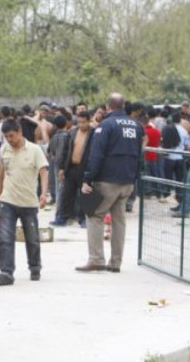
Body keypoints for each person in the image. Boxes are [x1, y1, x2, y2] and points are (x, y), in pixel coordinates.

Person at [76, 93, 143, 273]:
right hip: (127, 181)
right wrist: (136, 178)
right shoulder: (136, 126)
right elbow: (139, 154)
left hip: (106, 180)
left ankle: (96, 259)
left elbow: (96, 155)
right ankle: (115, 262)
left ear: (108, 107)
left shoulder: (105, 126)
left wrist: (88, 178)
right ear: (123, 106)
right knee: (119, 220)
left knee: (94, 215)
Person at [0, 119, 49, 286]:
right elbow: (2, 175)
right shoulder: (5, 150)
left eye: (12, 136)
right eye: (6, 136)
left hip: (29, 203)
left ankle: (35, 267)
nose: (9, 139)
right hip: (7, 201)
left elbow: (44, 173)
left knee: (32, 239)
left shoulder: (34, 150)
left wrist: (44, 194)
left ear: (20, 132)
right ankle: (6, 272)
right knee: (5, 238)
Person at [56, 111, 95, 227]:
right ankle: (63, 217)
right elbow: (65, 151)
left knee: (86, 194)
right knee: (66, 193)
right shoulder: (72, 132)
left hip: (86, 169)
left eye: (84, 122)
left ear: (89, 121)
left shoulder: (94, 133)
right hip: (71, 167)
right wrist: (62, 168)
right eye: (79, 122)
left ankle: (84, 219)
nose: (81, 125)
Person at [163, 113, 189, 210]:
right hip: (180, 158)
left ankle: (167, 194)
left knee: (168, 179)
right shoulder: (184, 130)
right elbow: (187, 144)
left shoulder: (168, 128)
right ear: (180, 120)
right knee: (179, 181)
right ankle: (179, 200)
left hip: (169, 157)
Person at [48, 115, 70, 226]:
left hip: (55, 165)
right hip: (64, 166)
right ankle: (60, 215)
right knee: (62, 191)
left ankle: (59, 215)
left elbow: (49, 153)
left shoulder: (53, 137)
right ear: (66, 124)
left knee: (58, 190)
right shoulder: (67, 137)